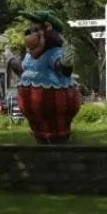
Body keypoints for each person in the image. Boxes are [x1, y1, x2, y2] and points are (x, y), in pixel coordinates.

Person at [7, 10, 82, 144]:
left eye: (37, 30)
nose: (32, 34)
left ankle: (59, 142)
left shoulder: (54, 52)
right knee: (40, 135)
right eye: (31, 30)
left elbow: (62, 68)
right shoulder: (30, 55)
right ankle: (42, 141)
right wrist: (11, 61)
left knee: (56, 135)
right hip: (33, 108)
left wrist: (65, 63)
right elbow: (23, 70)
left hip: (55, 105)